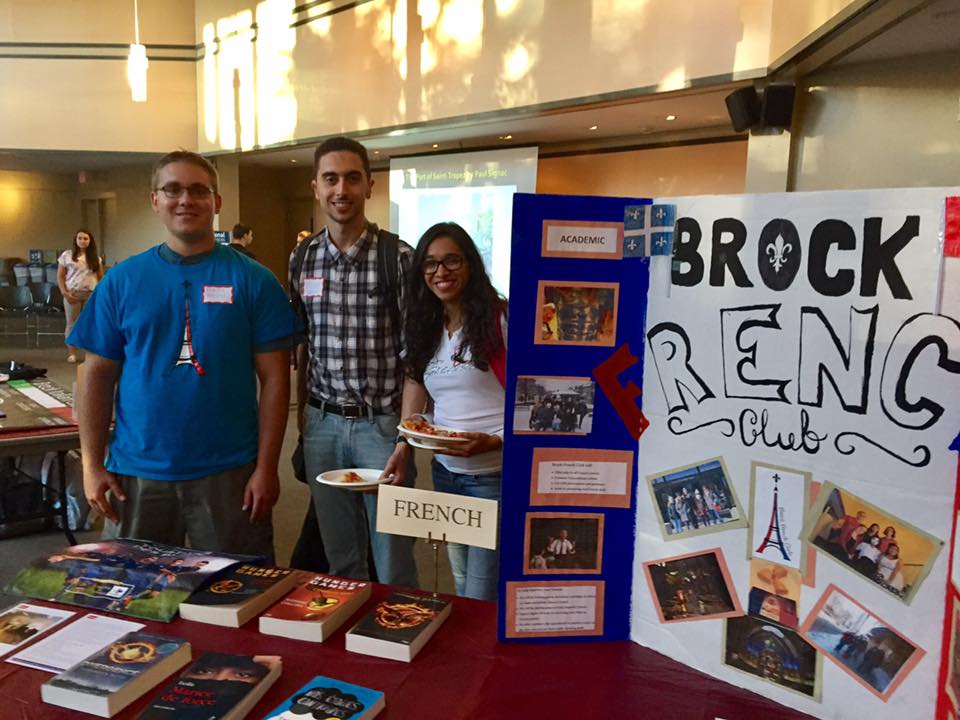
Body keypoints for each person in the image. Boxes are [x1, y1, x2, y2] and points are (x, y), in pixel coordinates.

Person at [69, 150, 299, 559]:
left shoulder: (254, 280)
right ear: (155, 200)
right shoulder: (122, 281)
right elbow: (95, 375)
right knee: (137, 598)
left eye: (198, 190)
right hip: (137, 471)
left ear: (217, 202)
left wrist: (266, 468)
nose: (185, 200)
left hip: (229, 471)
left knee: (235, 599)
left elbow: (276, 380)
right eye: (172, 189)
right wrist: (91, 465)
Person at [290, 136, 417, 587]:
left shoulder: (397, 258)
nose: (340, 189)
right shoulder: (302, 258)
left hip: (381, 429)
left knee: (393, 557)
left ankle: (400, 639)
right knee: (340, 560)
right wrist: (304, 422)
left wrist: (406, 440)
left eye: (351, 178)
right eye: (330, 179)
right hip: (322, 424)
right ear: (316, 187)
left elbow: (413, 360)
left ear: (369, 185)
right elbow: (304, 344)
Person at [399, 221, 506, 600]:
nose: (440, 272)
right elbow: (416, 383)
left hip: (491, 476)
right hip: (445, 474)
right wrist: (404, 444)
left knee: (480, 593)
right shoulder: (427, 323)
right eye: (430, 263)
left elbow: (535, 400)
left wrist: (495, 441)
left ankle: (485, 659)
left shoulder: (501, 319)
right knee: (460, 583)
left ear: (471, 265)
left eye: (451, 261)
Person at [58, 229, 104, 363]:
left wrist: (100, 295)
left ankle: (91, 352)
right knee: (71, 323)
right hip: (73, 293)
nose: (82, 241)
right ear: (76, 240)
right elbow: (60, 276)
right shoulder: (67, 255)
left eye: (85, 238)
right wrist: (64, 293)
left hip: (91, 294)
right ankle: (72, 353)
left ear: (90, 241)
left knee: (91, 323)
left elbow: (101, 278)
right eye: (80, 238)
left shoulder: (95, 258)